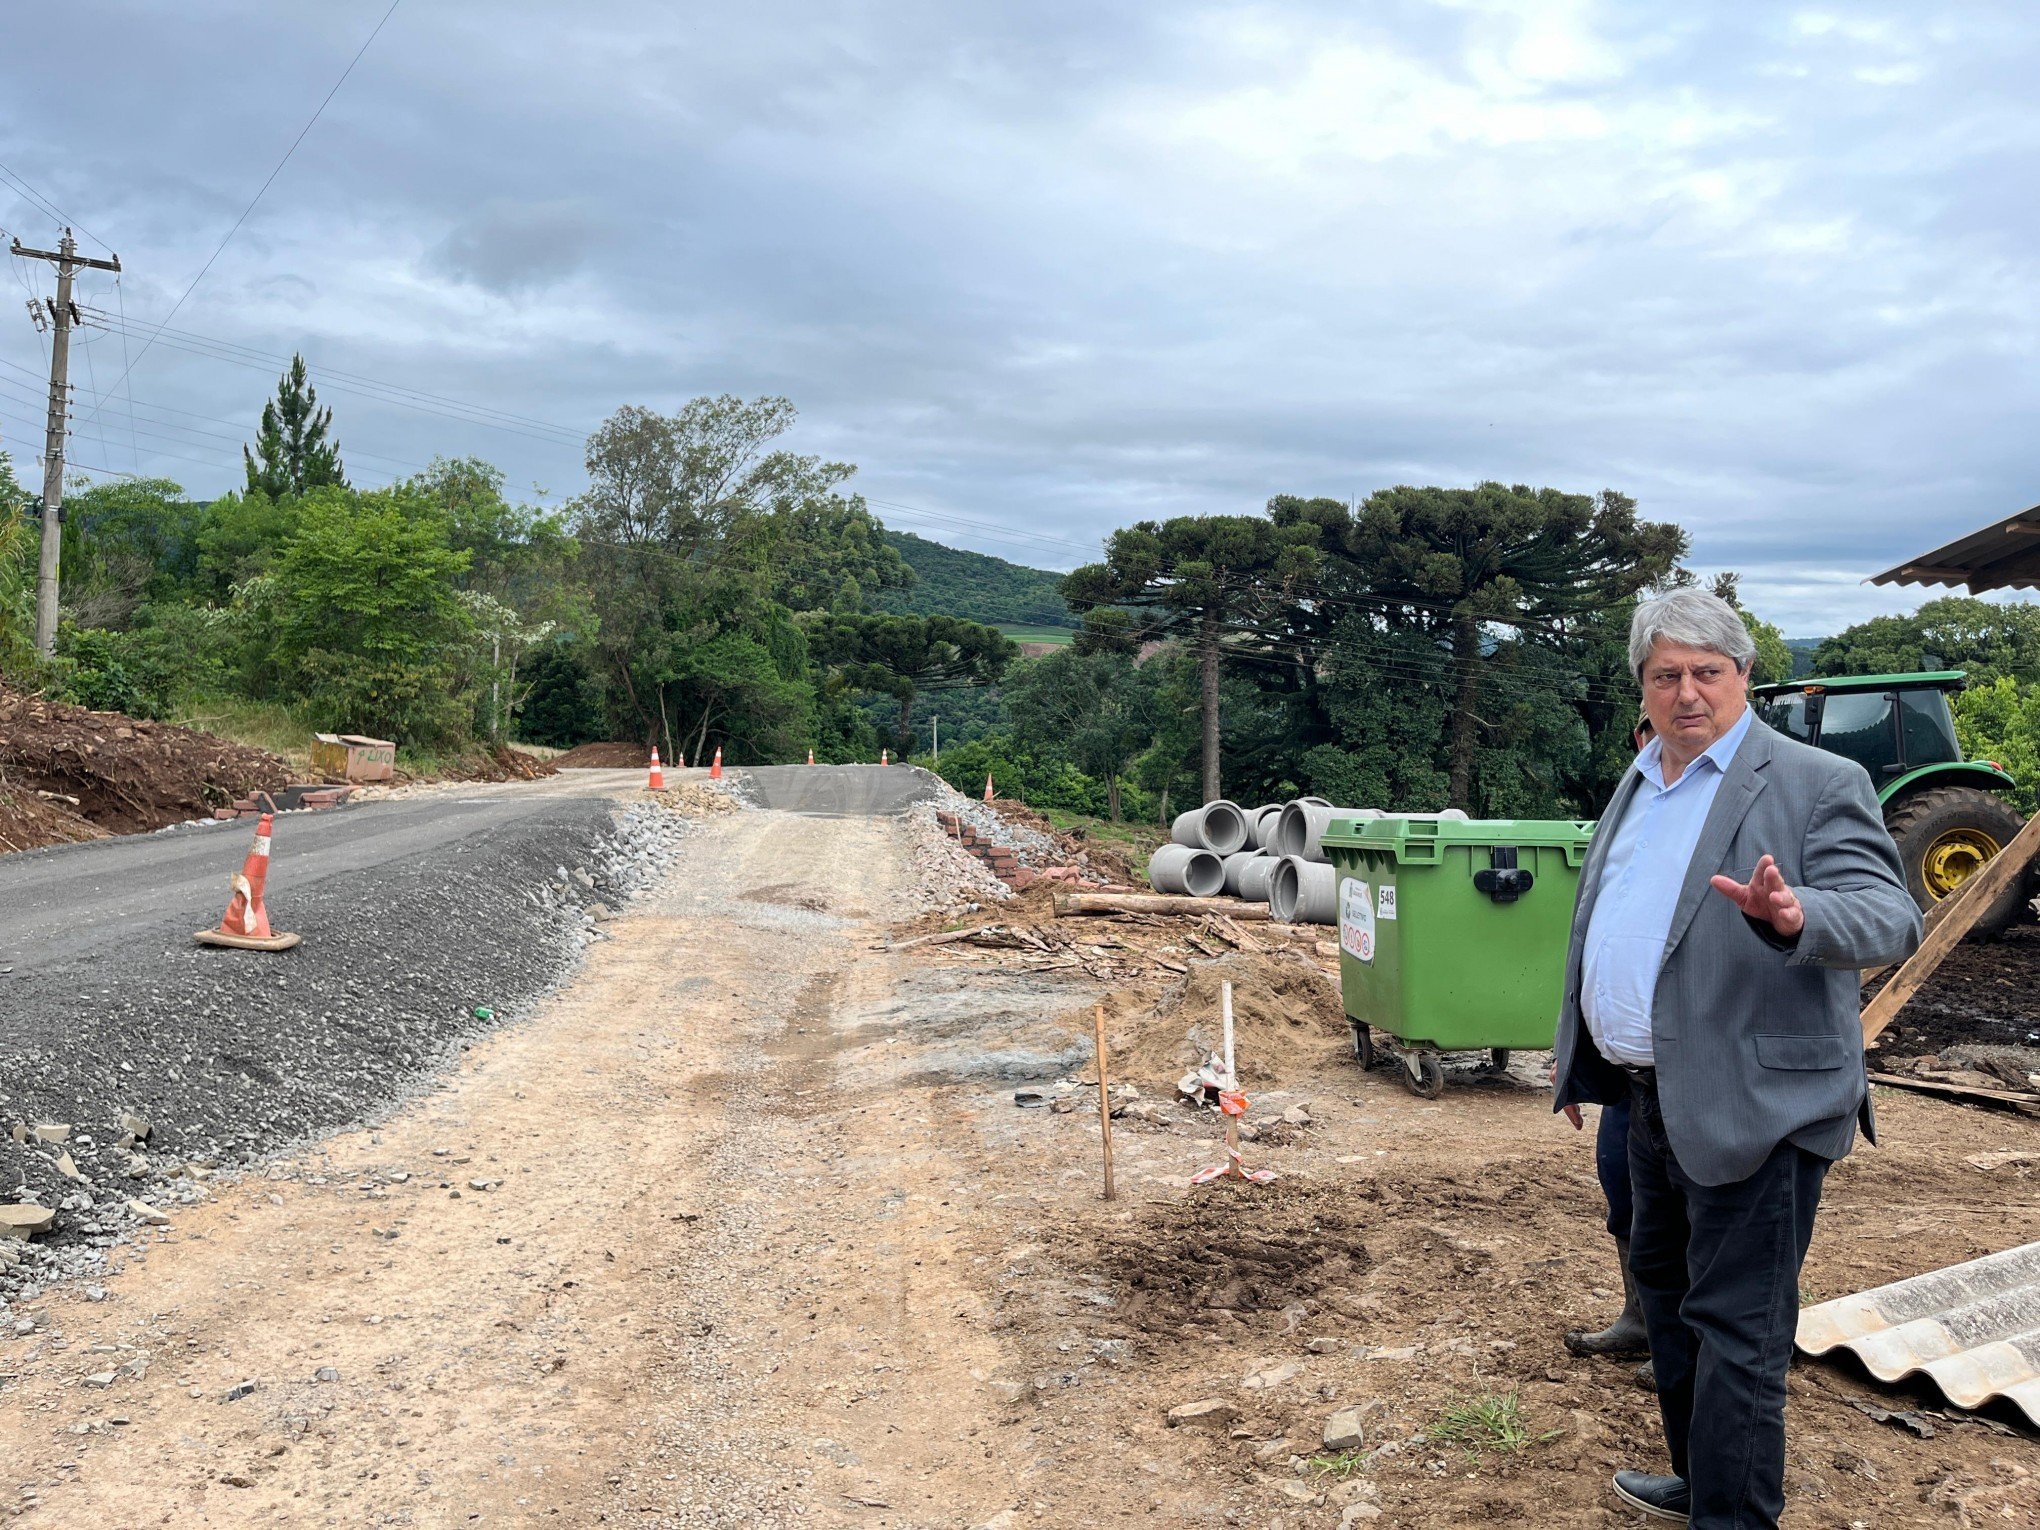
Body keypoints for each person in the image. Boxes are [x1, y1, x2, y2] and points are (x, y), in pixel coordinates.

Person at [1552, 589, 1920, 1528]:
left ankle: (1734, 1516)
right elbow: (1615, 921)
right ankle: (1700, 1479)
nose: (1686, 694)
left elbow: (1891, 916)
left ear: (1743, 677)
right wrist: (1586, 1053)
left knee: (1742, 1335)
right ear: (1642, 684)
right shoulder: (1641, 781)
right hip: (1649, 1103)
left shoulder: (1812, 779)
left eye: (1707, 673)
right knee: (1670, 1310)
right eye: (1666, 675)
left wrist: (1799, 915)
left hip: (1763, 1104)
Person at [1560, 710, 1655, 1387]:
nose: (1656, 739)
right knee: (1620, 1186)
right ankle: (1641, 1320)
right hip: (1625, 1071)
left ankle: (1685, 1341)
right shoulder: (1626, 811)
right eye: (1645, 726)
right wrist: (1575, 1067)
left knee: (1689, 1213)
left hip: (1689, 1064)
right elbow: (1594, 942)